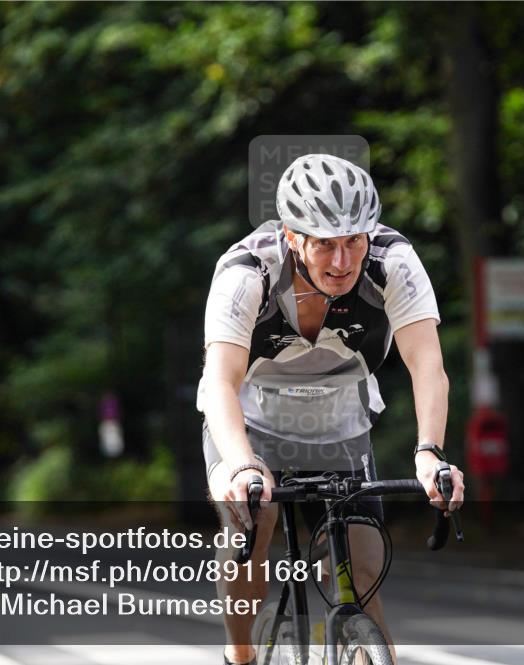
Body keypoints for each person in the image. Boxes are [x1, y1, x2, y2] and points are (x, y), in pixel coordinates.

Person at [198, 153, 465, 665]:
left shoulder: (393, 261)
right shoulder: (245, 271)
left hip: (340, 419)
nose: (342, 262)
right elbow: (220, 381)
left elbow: (427, 364)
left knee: (361, 573)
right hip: (247, 419)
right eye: (324, 243)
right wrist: (240, 464)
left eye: (354, 241)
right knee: (254, 521)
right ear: (293, 236)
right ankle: (239, 654)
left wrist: (429, 452)